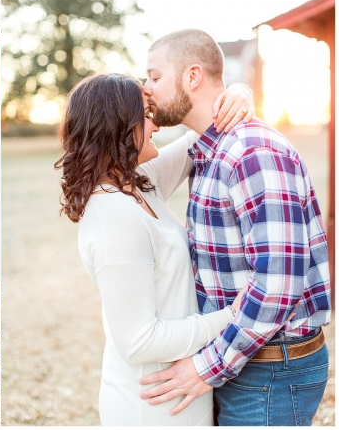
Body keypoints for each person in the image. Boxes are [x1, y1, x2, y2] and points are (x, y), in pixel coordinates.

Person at [138, 29, 331, 426]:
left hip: (270, 370)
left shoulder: (253, 153)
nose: (147, 89)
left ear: (193, 76)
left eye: (155, 77)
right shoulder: (208, 148)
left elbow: (276, 285)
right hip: (245, 360)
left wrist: (206, 367)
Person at [55, 73, 254, 425]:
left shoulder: (136, 185)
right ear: (119, 124)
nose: (156, 126)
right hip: (151, 406)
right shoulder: (114, 215)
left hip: (176, 392)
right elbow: (139, 342)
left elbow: (204, 130)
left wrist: (239, 91)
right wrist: (231, 316)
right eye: (146, 115)